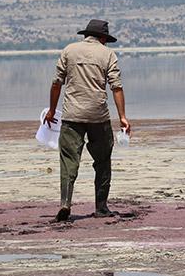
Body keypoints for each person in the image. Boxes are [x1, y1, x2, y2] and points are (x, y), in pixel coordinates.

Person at [44, 19, 131, 222]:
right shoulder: (107, 54)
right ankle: (101, 207)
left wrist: (51, 110)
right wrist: (123, 117)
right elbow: (116, 87)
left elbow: (57, 83)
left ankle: (66, 203)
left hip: (72, 116)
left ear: (86, 35)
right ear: (102, 38)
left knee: (68, 161)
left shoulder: (69, 50)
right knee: (102, 161)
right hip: (98, 116)